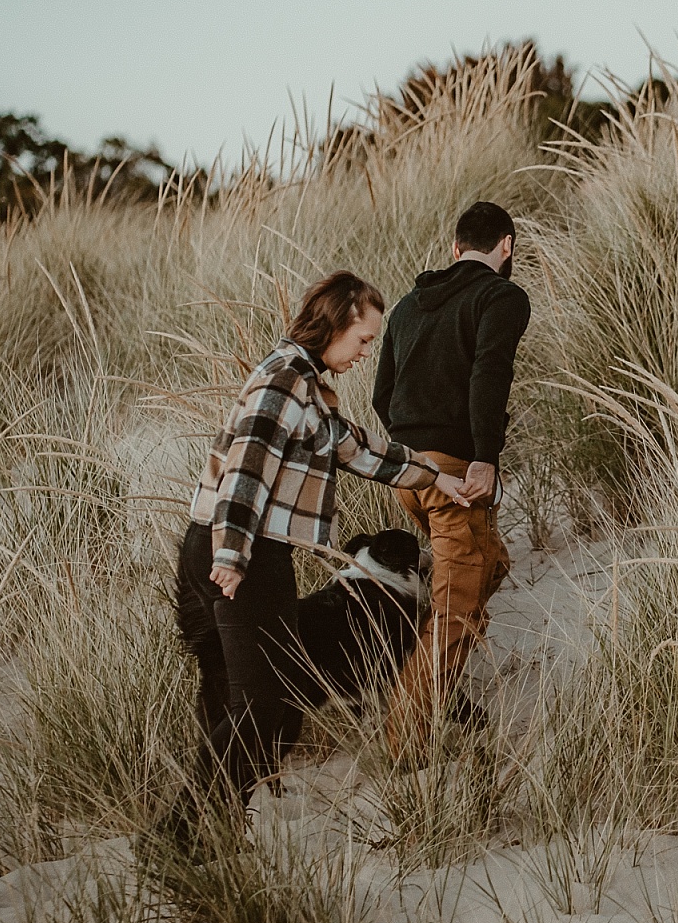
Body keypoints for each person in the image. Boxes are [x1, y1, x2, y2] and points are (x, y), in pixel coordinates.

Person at [174, 270, 470, 817]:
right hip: (243, 550)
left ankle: (217, 826)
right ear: (336, 322)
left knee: (229, 696)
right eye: (363, 339)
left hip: (219, 544)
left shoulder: (306, 386)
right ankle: (183, 832)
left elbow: (356, 448)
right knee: (263, 701)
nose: (365, 353)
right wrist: (234, 555)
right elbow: (246, 471)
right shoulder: (285, 381)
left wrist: (432, 474)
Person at [373, 201, 531, 759]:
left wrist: (416, 455)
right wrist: (482, 455)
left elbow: (379, 396)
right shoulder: (502, 296)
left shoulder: (408, 307)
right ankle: (406, 744)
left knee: (491, 566)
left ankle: (426, 677)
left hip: (408, 474)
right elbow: (492, 371)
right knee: (457, 610)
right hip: (456, 478)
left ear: (456, 247)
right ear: (506, 246)